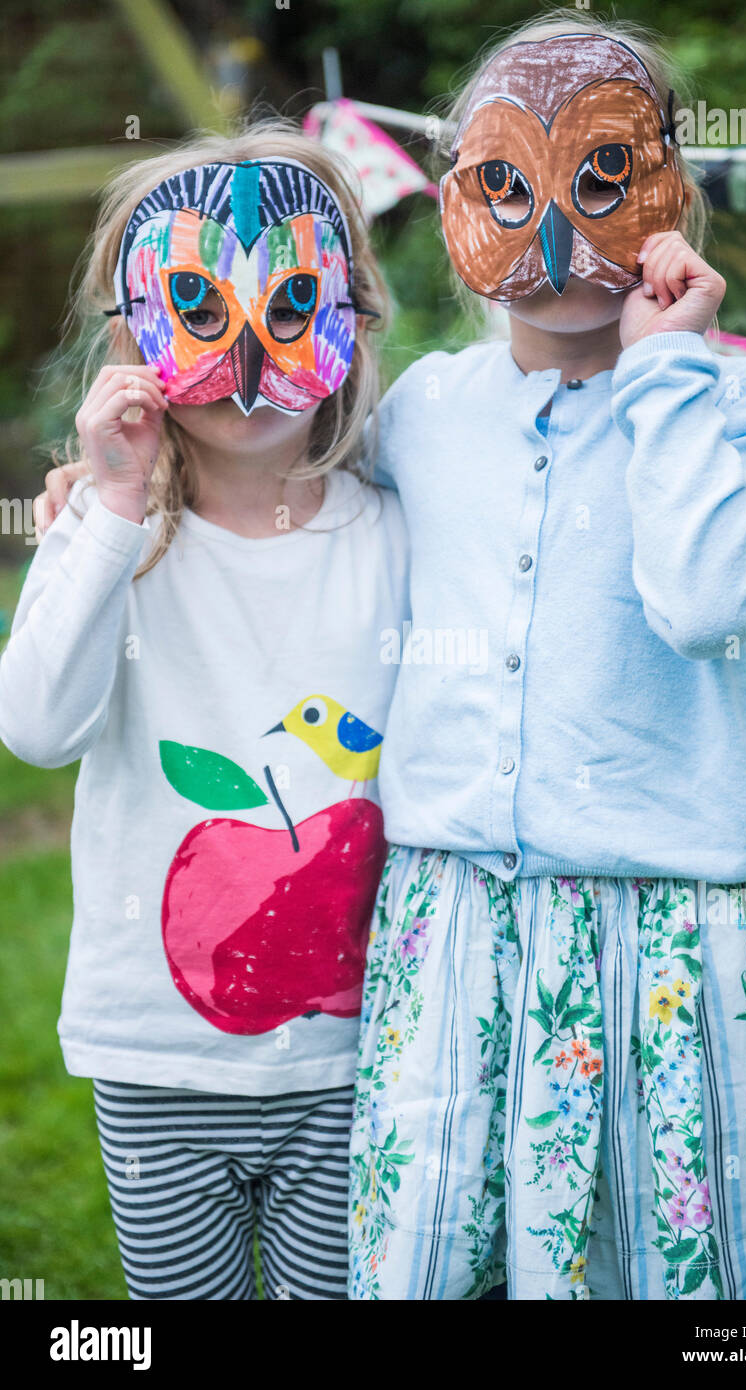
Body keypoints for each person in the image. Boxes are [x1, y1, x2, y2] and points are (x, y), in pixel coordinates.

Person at [343, 16, 746, 1301]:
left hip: (665, 920)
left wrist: (666, 372)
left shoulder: (743, 403)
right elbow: (285, 528)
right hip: (459, 925)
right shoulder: (423, 414)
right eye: (511, 186)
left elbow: (702, 606)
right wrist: (117, 488)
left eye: (607, 176)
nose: (565, 234)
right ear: (460, 198)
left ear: (669, 188)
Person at [0, 120, 408, 1300]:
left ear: (350, 307)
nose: (239, 352)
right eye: (193, 303)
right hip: (155, 1054)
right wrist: (112, 511)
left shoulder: (393, 531)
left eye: (287, 304)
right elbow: (34, 723)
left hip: (348, 1057)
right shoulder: (109, 533)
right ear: (137, 334)